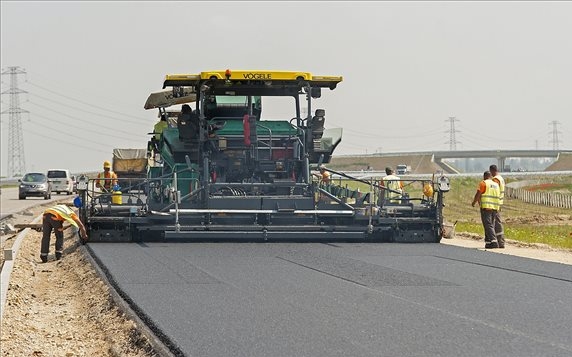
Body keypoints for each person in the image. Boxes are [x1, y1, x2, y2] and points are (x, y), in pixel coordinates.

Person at [471, 171, 501, 249]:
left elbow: (478, 194)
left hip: (486, 207)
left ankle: (494, 241)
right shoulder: (496, 185)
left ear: (484, 176)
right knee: (491, 224)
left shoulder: (483, 183)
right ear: (490, 176)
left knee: (488, 225)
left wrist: (474, 202)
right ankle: (488, 242)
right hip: (495, 207)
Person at [489, 164, 506, 248]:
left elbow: (494, 191)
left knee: (496, 222)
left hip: (495, 204)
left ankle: (500, 241)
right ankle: (499, 241)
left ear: (492, 171)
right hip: (499, 202)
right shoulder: (501, 178)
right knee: (496, 222)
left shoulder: (495, 180)